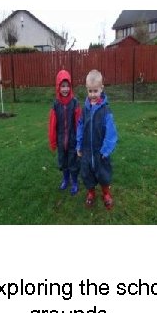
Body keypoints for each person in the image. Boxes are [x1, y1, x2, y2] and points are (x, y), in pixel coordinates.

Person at [76, 69, 118, 209]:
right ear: (87, 90)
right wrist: (79, 145)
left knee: (104, 174)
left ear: (101, 89)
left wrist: (105, 151)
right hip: (87, 151)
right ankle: (91, 193)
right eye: (90, 91)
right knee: (87, 174)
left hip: (101, 152)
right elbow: (80, 126)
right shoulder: (85, 109)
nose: (93, 95)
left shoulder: (106, 111)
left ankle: (106, 193)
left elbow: (111, 133)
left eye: (95, 91)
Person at [48, 69, 81, 195]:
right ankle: (65, 179)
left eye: (67, 86)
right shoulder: (56, 104)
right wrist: (53, 141)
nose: (65, 89)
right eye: (63, 86)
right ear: (58, 87)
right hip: (61, 140)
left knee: (73, 162)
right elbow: (52, 124)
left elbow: (79, 122)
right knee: (63, 161)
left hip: (72, 140)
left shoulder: (75, 102)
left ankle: (74, 182)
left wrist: (79, 140)